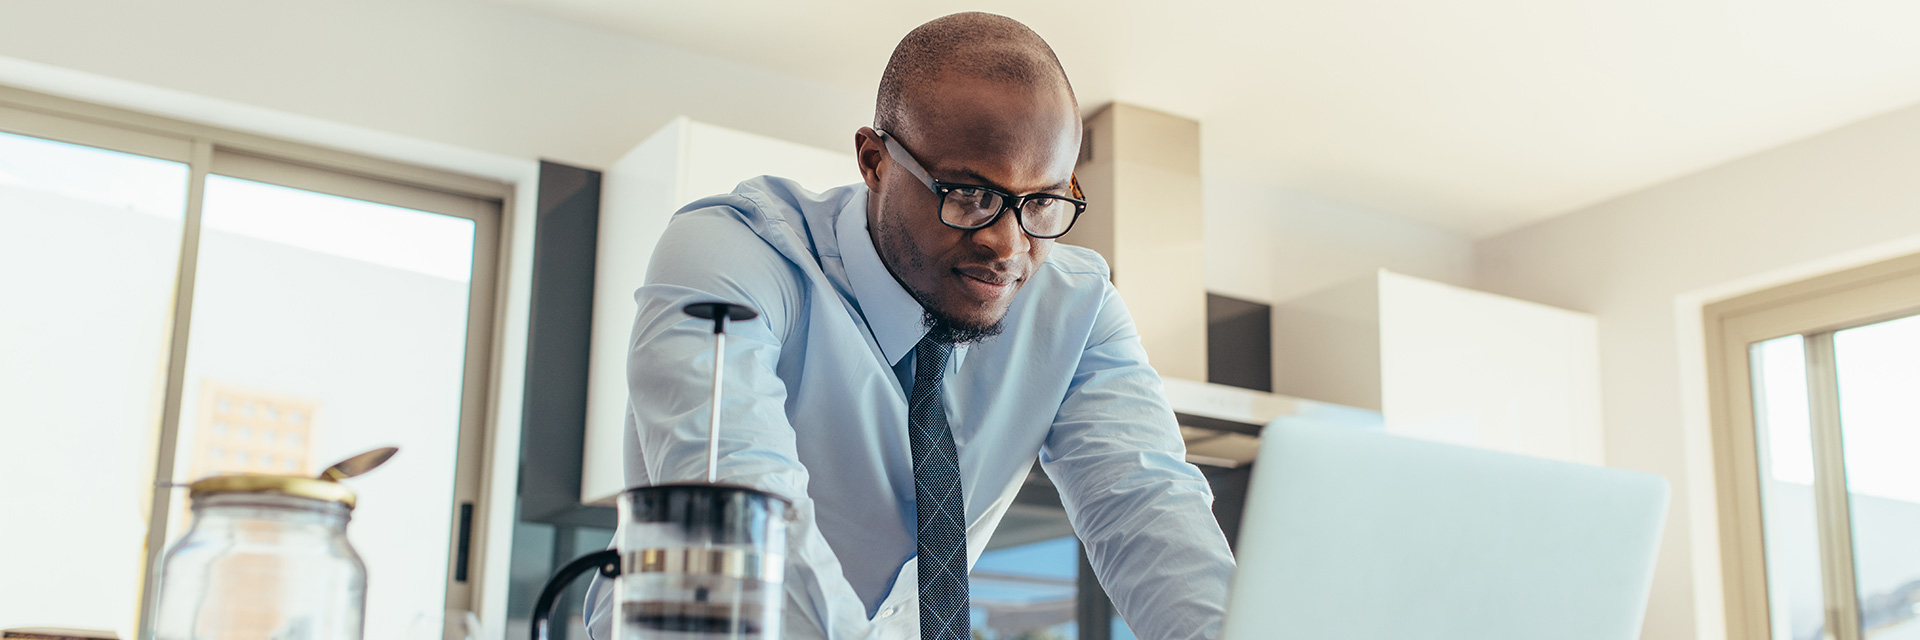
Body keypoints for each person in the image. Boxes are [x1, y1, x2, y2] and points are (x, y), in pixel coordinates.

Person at [586, 11, 1233, 640]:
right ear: (874, 160)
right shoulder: (733, 254)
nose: (1008, 245)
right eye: (971, 195)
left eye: (1041, 201)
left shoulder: (1076, 306)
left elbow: (1146, 506)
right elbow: (740, 502)